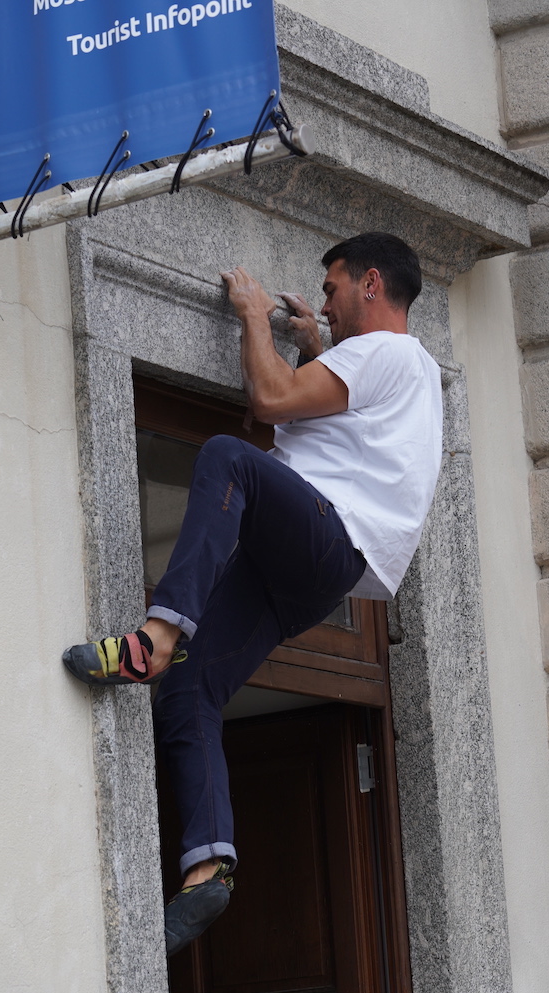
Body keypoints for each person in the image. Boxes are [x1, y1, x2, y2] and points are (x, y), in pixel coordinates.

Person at [63, 232, 443, 956]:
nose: (324, 305)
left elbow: (270, 402)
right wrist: (314, 350)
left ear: (371, 284)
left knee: (228, 457)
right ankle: (207, 870)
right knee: (191, 691)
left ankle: (155, 638)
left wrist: (249, 313)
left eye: (331, 289)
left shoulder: (384, 351)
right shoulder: (415, 372)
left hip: (328, 534)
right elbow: (331, 434)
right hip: (323, 569)